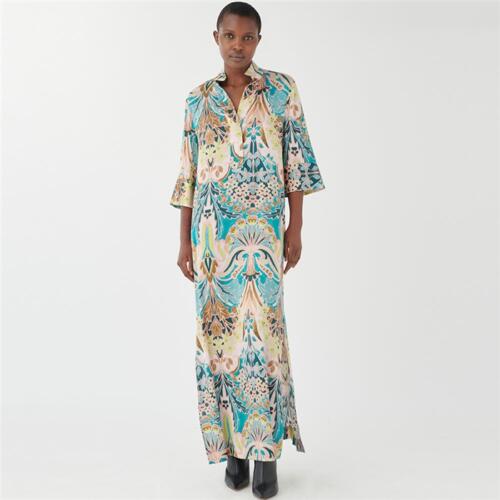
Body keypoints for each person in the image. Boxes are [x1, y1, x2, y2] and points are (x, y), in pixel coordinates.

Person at [169, 2, 325, 497]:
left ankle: (266, 456)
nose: (238, 45)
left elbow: (297, 163)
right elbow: (188, 176)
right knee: (220, 345)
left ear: (259, 40)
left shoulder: (281, 90)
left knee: (264, 346)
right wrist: (183, 241)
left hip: (262, 241)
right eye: (230, 36)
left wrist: (295, 229)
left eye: (248, 37)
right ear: (216, 37)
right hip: (212, 242)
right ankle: (233, 453)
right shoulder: (197, 101)